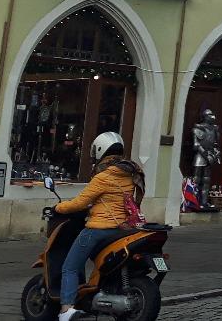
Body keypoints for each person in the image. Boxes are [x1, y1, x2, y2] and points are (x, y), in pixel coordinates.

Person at [52, 132, 144, 321]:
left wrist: (58, 208)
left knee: (69, 267)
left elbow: (80, 202)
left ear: (100, 150)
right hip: (121, 229)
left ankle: (66, 310)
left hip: (98, 229)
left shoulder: (103, 177)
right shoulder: (130, 173)